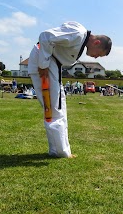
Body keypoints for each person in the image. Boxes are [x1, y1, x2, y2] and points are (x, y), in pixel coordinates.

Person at [28, 21, 112, 158]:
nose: (96, 57)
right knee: (54, 108)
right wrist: (42, 65)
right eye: (99, 54)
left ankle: (61, 150)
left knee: (60, 106)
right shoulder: (78, 34)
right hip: (45, 64)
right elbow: (45, 36)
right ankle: (60, 152)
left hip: (52, 65)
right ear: (96, 43)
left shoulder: (79, 37)